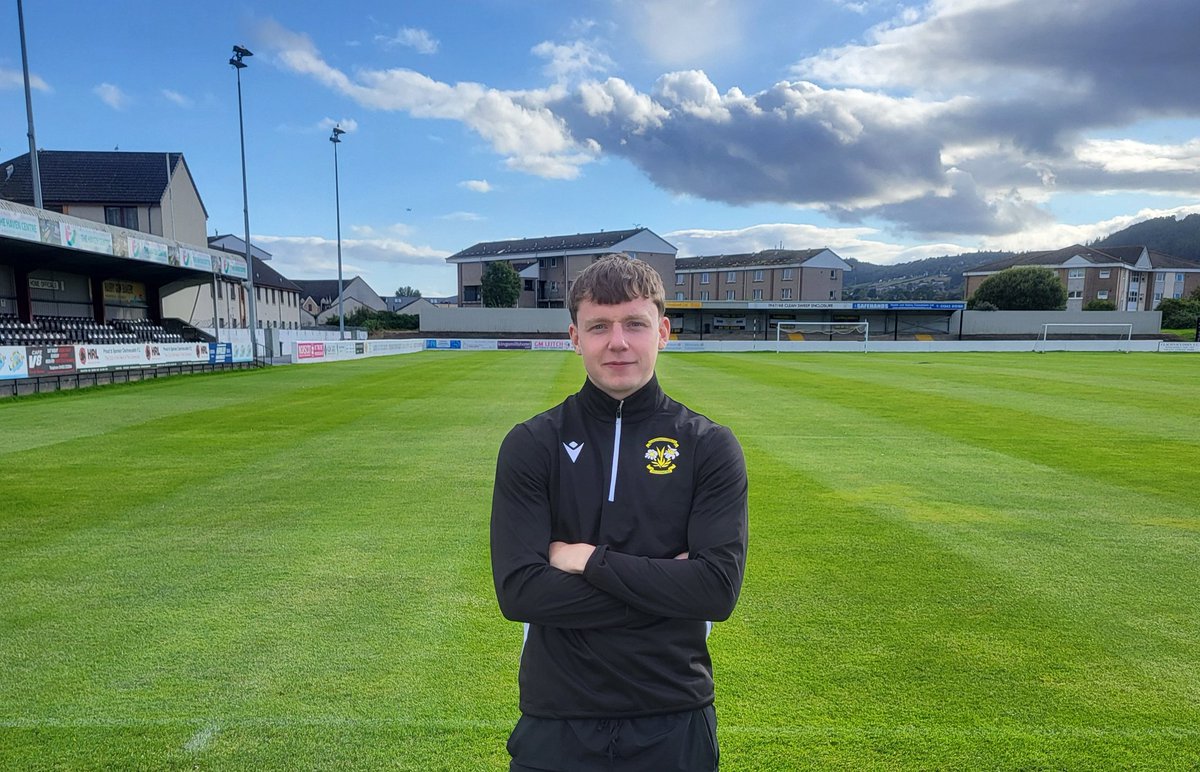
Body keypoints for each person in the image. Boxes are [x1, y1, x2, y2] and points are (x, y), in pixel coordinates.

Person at [490, 254, 749, 770]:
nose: (618, 342)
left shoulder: (709, 446)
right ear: (574, 336)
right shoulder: (531, 444)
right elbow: (520, 591)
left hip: (673, 715)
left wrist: (587, 561)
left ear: (664, 331)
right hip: (557, 716)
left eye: (635, 323)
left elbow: (715, 592)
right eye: (599, 326)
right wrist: (668, 592)